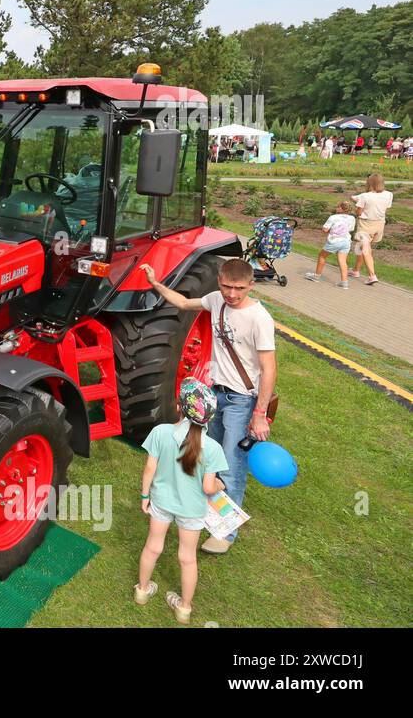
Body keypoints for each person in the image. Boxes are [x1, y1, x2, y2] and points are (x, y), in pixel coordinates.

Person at [140, 258, 276, 554]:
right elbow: (185, 303)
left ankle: (225, 535)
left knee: (230, 465)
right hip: (214, 394)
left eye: (240, 288)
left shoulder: (259, 318)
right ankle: (203, 512)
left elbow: (269, 368)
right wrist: (155, 284)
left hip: (242, 399)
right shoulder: (216, 300)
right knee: (209, 458)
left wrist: (259, 414)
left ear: (251, 285)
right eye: (227, 286)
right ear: (219, 282)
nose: (233, 294)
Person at [135, 378, 228, 625]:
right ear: (209, 418)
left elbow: (149, 469)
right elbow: (209, 487)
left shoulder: (160, 432)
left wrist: (145, 496)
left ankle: (142, 590)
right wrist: (220, 485)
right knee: (187, 558)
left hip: (161, 503)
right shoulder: (213, 448)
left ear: (179, 407)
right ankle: (184, 608)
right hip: (192, 510)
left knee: (153, 546)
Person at [351, 173, 393, 286]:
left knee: (365, 250)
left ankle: (372, 275)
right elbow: (385, 206)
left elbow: (359, 212)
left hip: (365, 224)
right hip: (379, 224)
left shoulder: (365, 196)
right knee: (363, 247)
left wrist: (357, 206)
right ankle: (356, 270)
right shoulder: (389, 194)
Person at [305, 200, 355, 287]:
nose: (336, 208)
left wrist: (329, 230)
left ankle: (316, 276)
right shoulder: (352, 218)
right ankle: (344, 282)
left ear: (341, 208)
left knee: (322, 256)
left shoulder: (333, 217)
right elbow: (350, 229)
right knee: (342, 261)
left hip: (334, 241)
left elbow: (325, 229)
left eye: (338, 206)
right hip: (346, 241)